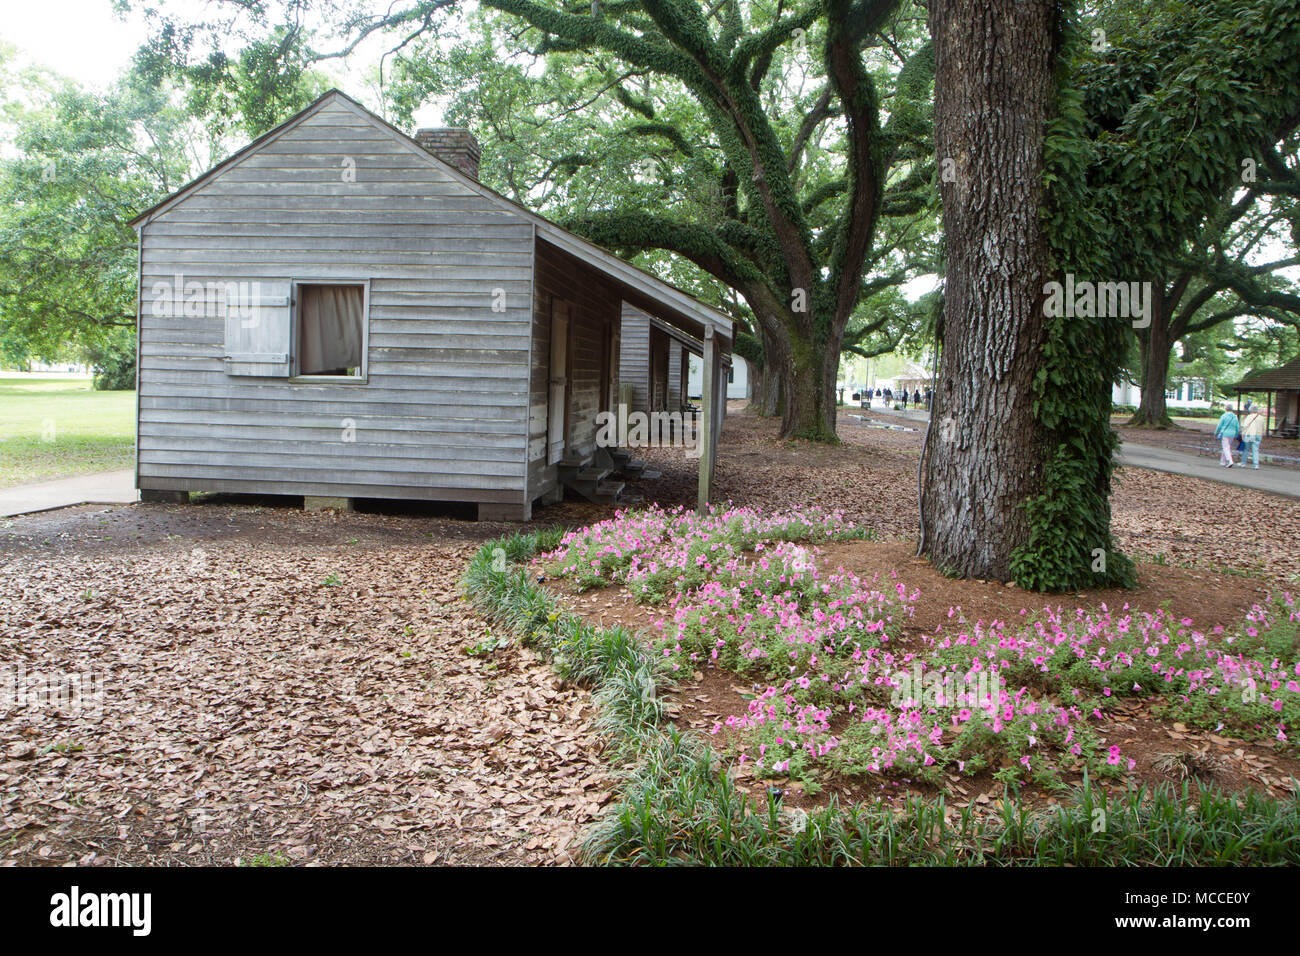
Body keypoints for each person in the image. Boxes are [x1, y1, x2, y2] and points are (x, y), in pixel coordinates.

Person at [1241, 401, 1265, 469]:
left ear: (1250, 410)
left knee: (1246, 449)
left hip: (1249, 434)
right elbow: (1263, 427)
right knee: (1255, 450)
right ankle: (1256, 465)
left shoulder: (1249, 417)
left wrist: (1243, 434)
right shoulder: (1261, 418)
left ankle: (1243, 463)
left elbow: (1245, 426)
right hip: (1258, 434)